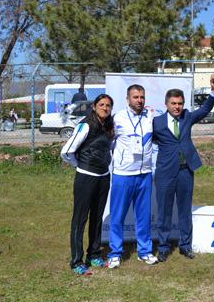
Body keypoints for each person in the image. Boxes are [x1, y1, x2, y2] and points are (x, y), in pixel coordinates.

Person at [153, 75, 214, 262]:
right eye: (174, 103)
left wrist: (213, 91)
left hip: (185, 171)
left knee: (184, 210)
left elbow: (205, 109)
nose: (177, 107)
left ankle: (185, 246)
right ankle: (163, 247)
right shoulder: (156, 122)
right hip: (165, 173)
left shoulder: (187, 117)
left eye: (180, 103)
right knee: (164, 212)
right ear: (166, 104)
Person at [61, 94, 114, 275]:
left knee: (97, 218)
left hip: (103, 177)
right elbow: (67, 151)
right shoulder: (86, 125)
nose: (105, 108)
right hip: (86, 178)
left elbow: (107, 148)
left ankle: (94, 254)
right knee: (80, 219)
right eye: (101, 104)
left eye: (108, 105)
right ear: (94, 106)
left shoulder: (108, 126)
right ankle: (76, 261)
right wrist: (81, 166)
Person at [106, 84, 157, 269]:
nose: (139, 101)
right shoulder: (117, 118)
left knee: (143, 216)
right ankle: (115, 253)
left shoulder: (150, 117)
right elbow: (109, 143)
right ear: (127, 99)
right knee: (117, 216)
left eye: (142, 97)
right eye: (135, 97)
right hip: (123, 174)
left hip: (144, 174)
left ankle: (144, 251)